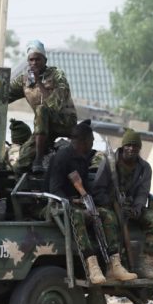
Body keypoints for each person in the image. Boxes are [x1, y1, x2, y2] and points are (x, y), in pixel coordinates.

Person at [48, 120, 137, 284]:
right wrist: (73, 201)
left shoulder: (82, 158)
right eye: (91, 141)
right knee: (77, 216)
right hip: (58, 205)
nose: (92, 145)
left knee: (107, 215)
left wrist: (92, 201)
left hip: (80, 203)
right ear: (83, 141)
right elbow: (55, 190)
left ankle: (114, 265)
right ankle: (92, 267)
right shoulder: (61, 157)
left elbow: (86, 186)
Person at [8, 40, 77, 174]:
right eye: (31, 60)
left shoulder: (57, 76)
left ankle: (38, 160)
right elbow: (3, 94)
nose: (34, 63)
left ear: (45, 60)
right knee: (21, 162)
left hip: (64, 122)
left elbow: (54, 104)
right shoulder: (24, 80)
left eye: (37, 59)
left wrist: (38, 82)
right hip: (44, 128)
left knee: (41, 109)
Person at [114, 128, 153, 279]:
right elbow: (100, 188)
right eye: (128, 145)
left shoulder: (144, 168)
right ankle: (114, 264)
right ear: (123, 146)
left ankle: (146, 264)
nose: (131, 149)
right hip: (113, 205)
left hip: (133, 206)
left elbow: (143, 191)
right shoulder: (111, 163)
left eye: (135, 146)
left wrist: (137, 207)